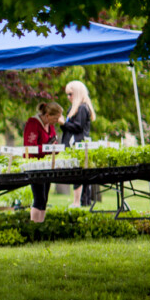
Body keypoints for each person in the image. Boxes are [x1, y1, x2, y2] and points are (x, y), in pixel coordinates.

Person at [22, 101, 63, 223]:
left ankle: (41, 224)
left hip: (47, 165)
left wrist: (54, 147)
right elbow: (30, 147)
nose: (57, 121)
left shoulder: (50, 126)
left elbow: (53, 140)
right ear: (48, 115)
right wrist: (48, 148)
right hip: (35, 165)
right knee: (39, 198)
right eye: (55, 118)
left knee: (44, 198)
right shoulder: (33, 123)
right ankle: (35, 225)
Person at [58, 80, 96, 208]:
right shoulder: (73, 108)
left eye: (70, 94)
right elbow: (68, 128)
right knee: (77, 174)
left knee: (79, 174)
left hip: (79, 144)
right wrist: (63, 124)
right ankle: (79, 201)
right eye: (67, 94)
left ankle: (78, 202)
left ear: (78, 93)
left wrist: (64, 123)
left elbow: (78, 127)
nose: (68, 97)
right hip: (72, 143)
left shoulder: (82, 108)